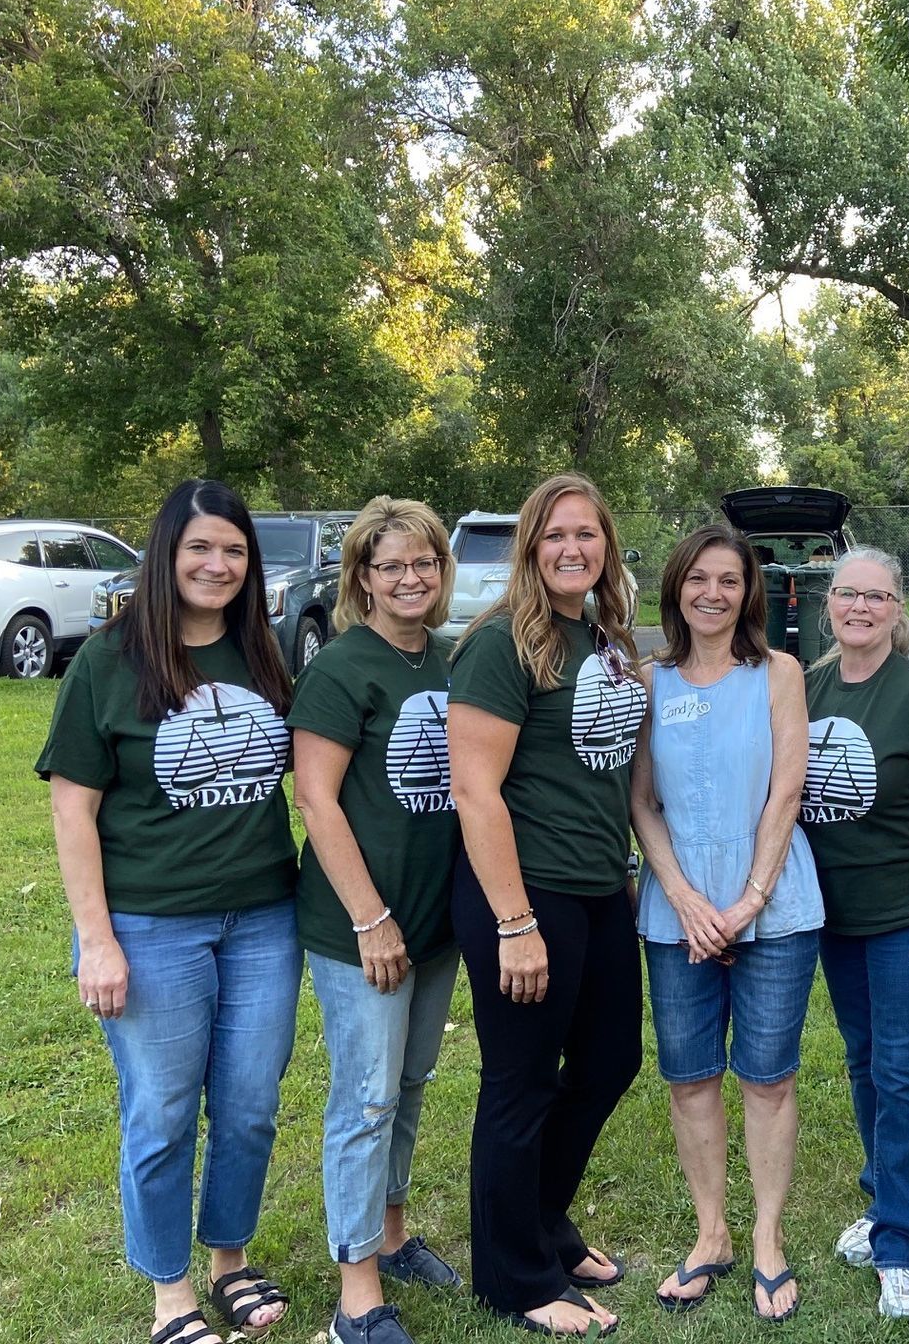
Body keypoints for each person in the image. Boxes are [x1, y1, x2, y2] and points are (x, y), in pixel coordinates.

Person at [38, 479, 301, 1344]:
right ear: (165, 555)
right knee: (160, 1107)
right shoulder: (108, 662)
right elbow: (74, 806)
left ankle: (229, 1260)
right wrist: (97, 941)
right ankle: (170, 1292)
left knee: (251, 1102)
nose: (217, 564)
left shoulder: (262, 653)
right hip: (153, 926)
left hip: (264, 916)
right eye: (200, 548)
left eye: (233, 550)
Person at [446, 474, 648, 1339]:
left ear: (606, 546)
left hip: (603, 888)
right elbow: (474, 790)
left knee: (609, 1064)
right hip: (526, 896)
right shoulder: (501, 646)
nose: (573, 548)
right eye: (555, 535)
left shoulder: (602, 635)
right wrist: (514, 923)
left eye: (588, 535)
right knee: (521, 1085)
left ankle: (543, 1222)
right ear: (531, 548)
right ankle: (514, 1276)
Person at [630, 525, 822, 1322]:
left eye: (730, 581)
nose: (713, 593)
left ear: (751, 593)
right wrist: (682, 896)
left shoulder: (779, 673)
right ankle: (712, 1234)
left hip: (774, 906)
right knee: (690, 1078)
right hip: (679, 914)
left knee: (768, 1078)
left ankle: (768, 1237)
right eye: (699, 579)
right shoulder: (650, 681)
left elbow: (786, 792)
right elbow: (642, 801)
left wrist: (747, 900)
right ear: (676, 587)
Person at [289, 497, 464, 1344]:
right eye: (390, 565)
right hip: (363, 925)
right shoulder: (342, 668)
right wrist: (370, 917)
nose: (409, 578)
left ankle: (392, 1235)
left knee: (410, 1084)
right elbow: (315, 798)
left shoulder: (451, 659)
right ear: (361, 577)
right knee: (364, 1098)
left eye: (423, 563)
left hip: (436, 921)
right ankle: (357, 1291)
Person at [802, 547, 909, 1322]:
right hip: (833, 917)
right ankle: (883, 1201)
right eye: (847, 595)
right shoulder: (807, 686)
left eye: (876, 596)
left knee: (901, 1069)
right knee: (863, 1060)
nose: (859, 608)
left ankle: (900, 1243)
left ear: (898, 608)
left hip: (904, 915)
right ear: (828, 603)